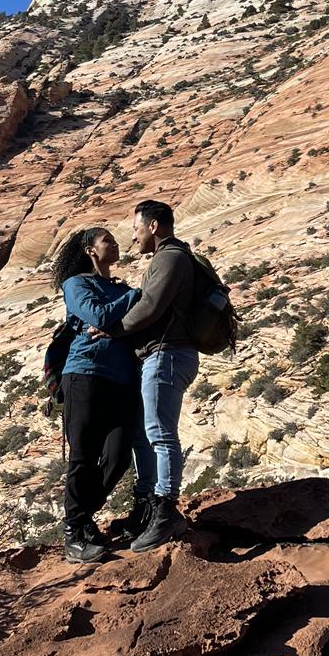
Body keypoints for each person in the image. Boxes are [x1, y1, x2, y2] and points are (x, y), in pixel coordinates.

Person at [99, 198, 200, 552]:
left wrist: (112, 329)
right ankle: (148, 508)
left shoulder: (170, 258)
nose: (133, 236)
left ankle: (166, 510)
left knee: (160, 434)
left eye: (136, 228)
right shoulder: (168, 257)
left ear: (153, 226)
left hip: (167, 355)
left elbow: (150, 306)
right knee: (147, 434)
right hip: (163, 355)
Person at [52, 226, 142, 564]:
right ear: (91, 250)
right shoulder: (76, 284)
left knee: (118, 458)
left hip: (122, 380)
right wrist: (135, 298)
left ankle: (81, 519)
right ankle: (74, 534)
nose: (116, 243)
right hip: (84, 374)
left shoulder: (118, 288)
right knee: (83, 457)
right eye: (108, 241)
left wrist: (122, 309)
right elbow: (98, 315)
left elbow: (121, 319)